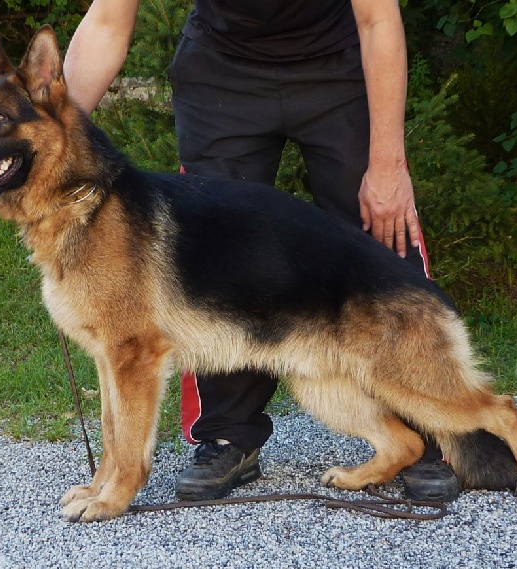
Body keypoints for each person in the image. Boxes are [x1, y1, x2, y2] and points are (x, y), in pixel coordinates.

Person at [64, 0, 458, 502]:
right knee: (209, 256)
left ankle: (423, 431)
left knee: (381, 229)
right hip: (221, 70)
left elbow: (378, 19)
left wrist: (387, 163)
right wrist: (51, 133)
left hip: (335, 64)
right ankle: (229, 435)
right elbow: (106, 22)